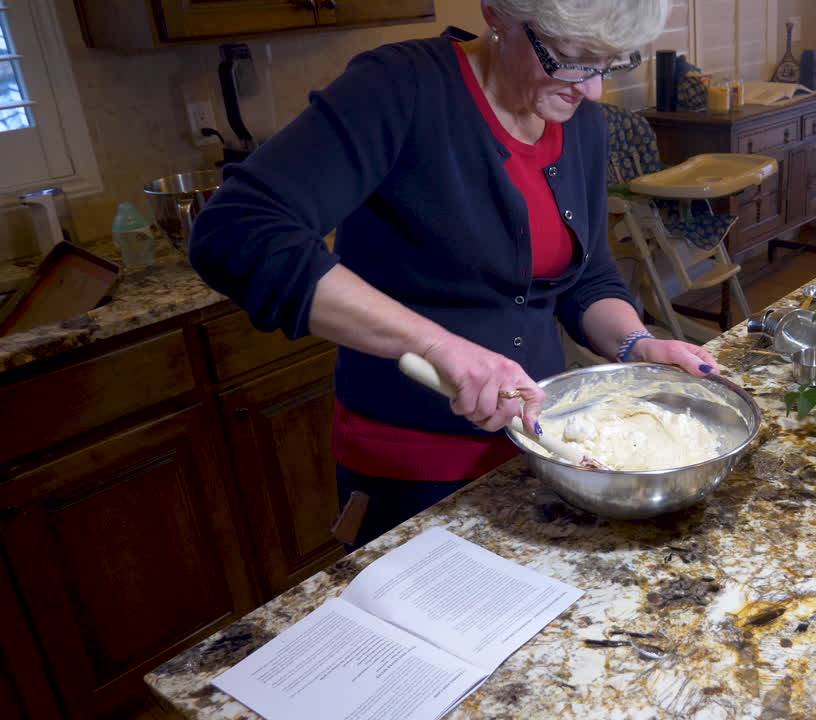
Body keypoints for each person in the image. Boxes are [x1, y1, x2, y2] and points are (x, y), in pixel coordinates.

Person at [189, 0, 718, 549]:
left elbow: (585, 277)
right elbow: (236, 231)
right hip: (413, 473)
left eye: (610, 63)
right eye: (571, 58)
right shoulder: (400, 87)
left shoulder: (577, 117)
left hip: (545, 453)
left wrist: (636, 344)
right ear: (497, 15)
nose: (592, 91)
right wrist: (440, 347)